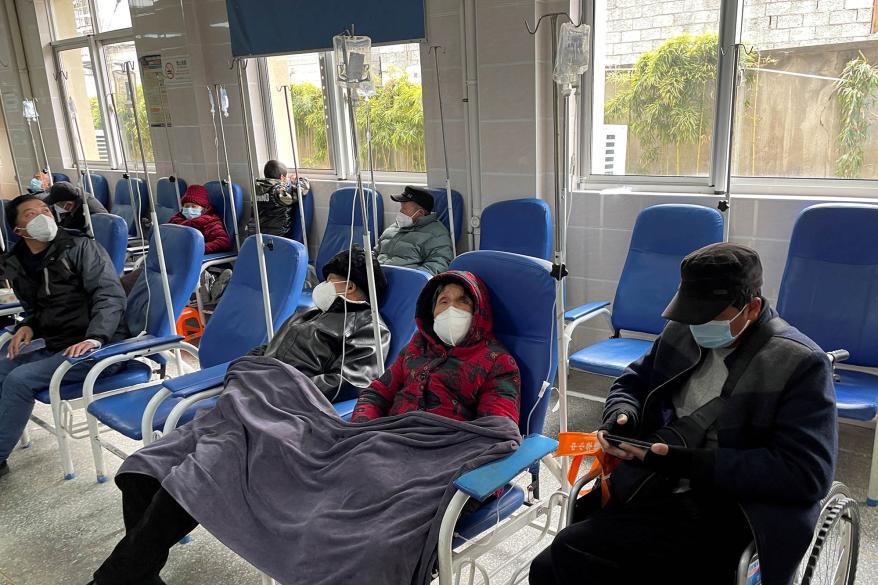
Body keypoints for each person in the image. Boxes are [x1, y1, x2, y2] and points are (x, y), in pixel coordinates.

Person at [89, 269, 521, 585]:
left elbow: (497, 430)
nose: (450, 310)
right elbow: (375, 392)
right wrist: (361, 430)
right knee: (187, 462)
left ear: (479, 311)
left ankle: (118, 577)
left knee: (345, 525)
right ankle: (132, 575)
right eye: (442, 301)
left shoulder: (496, 362)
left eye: (461, 302)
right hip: (366, 443)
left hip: (424, 460)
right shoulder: (415, 350)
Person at [528, 243, 837, 585]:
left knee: (576, 554)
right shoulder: (683, 330)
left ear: (751, 308)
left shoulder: (800, 363)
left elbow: (807, 474)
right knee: (548, 568)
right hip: (657, 483)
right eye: (691, 314)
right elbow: (632, 381)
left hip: (737, 507)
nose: (697, 326)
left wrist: (692, 463)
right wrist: (622, 415)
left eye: (709, 316)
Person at [0, 194, 128, 478]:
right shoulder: (18, 261)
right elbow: (38, 306)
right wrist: (29, 324)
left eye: (45, 210)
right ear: (18, 229)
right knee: (2, 365)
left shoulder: (81, 248)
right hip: (58, 341)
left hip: (97, 345)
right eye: (30, 214)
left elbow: (110, 296)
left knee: (19, 381)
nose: (42, 216)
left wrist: (96, 338)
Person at [249, 246, 390, 402]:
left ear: (350, 287)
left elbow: (350, 381)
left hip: (286, 398)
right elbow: (271, 347)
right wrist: (248, 365)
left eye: (330, 282)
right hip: (258, 383)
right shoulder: (312, 313)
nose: (323, 287)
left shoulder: (368, 327)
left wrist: (281, 389)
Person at [375, 185, 454, 276]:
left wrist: (413, 278)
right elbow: (376, 251)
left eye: (404, 209)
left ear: (420, 213)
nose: (400, 211)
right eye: (401, 207)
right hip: (376, 278)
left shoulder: (436, 234)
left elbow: (439, 264)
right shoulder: (394, 227)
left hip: (402, 280)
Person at [246, 159, 310, 238]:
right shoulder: (278, 192)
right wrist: (300, 180)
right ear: (282, 177)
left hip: (256, 238)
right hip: (276, 239)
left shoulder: (257, 189)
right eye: (286, 177)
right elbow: (301, 189)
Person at [168, 184, 232, 255]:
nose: (189, 209)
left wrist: (198, 249)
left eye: (193, 206)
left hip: (192, 256)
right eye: (186, 206)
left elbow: (223, 242)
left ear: (203, 209)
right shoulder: (175, 220)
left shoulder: (209, 222)